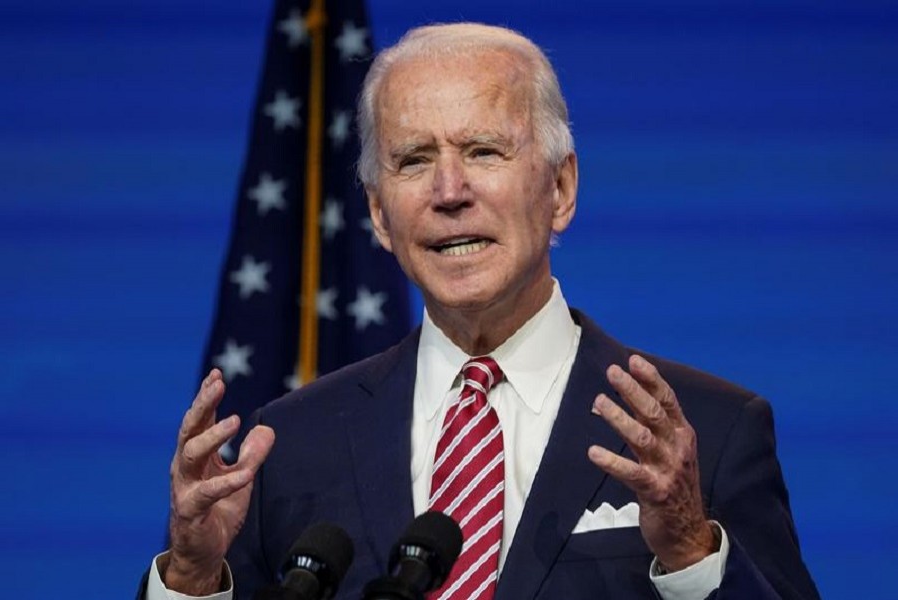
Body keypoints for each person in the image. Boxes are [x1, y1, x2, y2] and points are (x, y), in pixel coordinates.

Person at [140, 23, 819, 600]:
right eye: (413, 160)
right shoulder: (291, 444)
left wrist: (693, 557)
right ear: (379, 213)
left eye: (483, 151)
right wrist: (194, 578)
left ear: (560, 188)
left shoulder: (707, 431)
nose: (449, 190)